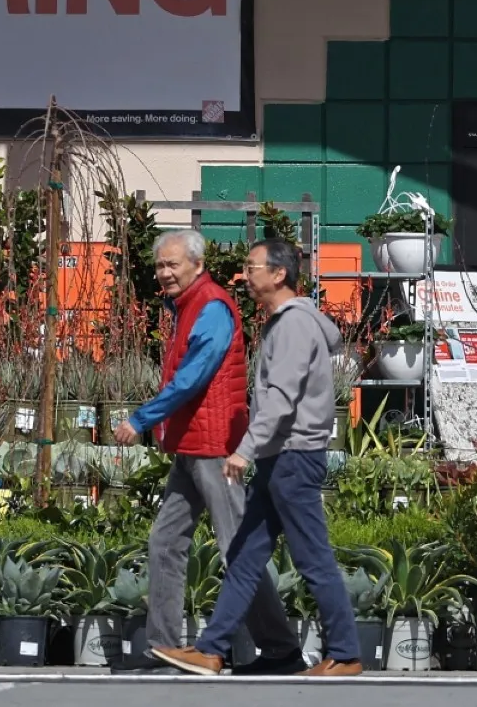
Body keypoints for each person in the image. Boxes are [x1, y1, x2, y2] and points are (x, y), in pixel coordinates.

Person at [151, 238, 363, 678]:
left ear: (279, 274)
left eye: (252, 267)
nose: (245, 275)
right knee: (246, 557)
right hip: (279, 458)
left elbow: (282, 398)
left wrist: (244, 450)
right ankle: (211, 650)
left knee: (313, 558)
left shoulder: (293, 326)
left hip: (293, 457)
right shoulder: (284, 323)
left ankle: (344, 653)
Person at [111, 230, 303, 675]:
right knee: (165, 542)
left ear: (198, 265)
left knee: (237, 547)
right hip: (192, 444)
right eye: (159, 265)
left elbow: (194, 376)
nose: (164, 273)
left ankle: (280, 648)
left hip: (215, 447)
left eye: (172, 264)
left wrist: (141, 419)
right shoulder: (187, 305)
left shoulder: (212, 305)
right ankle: (161, 646)